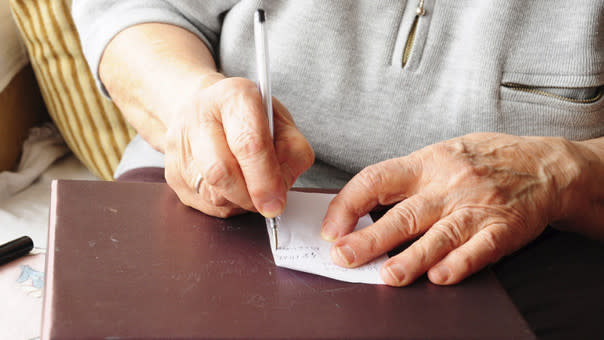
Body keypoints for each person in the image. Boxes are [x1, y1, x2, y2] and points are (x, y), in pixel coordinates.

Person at [73, 1, 604, 338]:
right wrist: (188, 99)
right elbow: (132, 12)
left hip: (523, 232)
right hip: (218, 193)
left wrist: (565, 170)